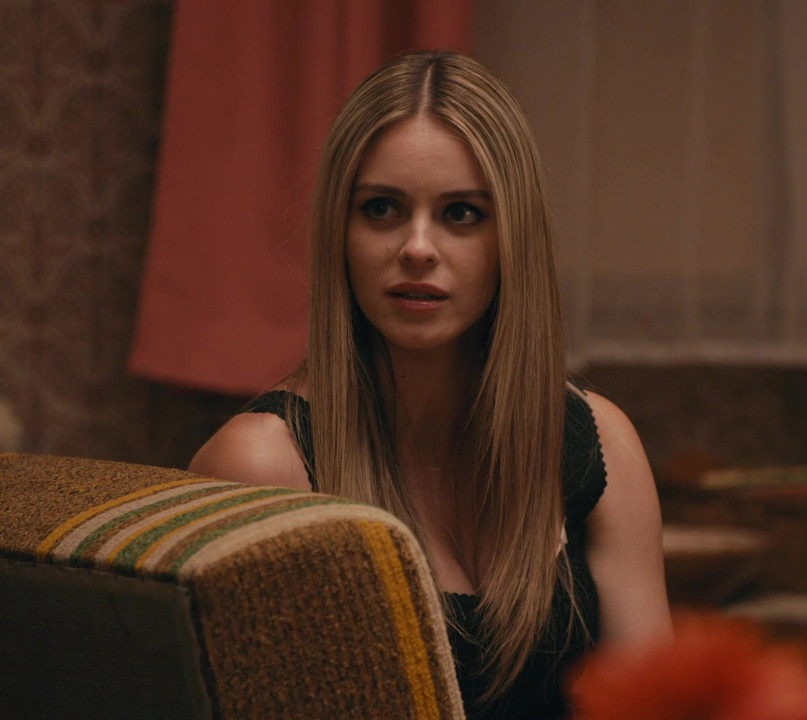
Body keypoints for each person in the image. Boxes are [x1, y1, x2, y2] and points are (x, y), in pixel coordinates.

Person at [190, 50, 670, 719]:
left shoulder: (601, 444)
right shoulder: (260, 467)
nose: (417, 247)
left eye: (461, 213)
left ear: (513, 238)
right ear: (339, 231)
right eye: (382, 208)